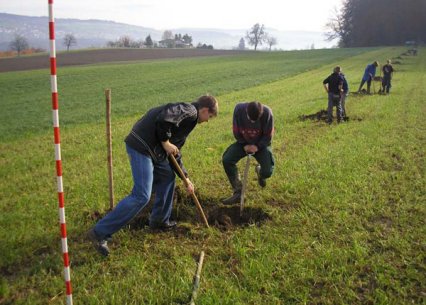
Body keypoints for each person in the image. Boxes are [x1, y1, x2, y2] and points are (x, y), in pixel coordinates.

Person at [88, 95, 219, 256]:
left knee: (167, 177)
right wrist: (165, 142)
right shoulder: (190, 111)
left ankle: (159, 221)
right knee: (141, 195)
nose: (207, 121)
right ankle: (99, 232)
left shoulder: (189, 122)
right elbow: (164, 119)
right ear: (205, 110)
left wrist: (186, 178)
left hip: (154, 151)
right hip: (142, 146)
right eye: (210, 117)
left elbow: (175, 152)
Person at [221, 101, 274, 205]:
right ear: (246, 112)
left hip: (261, 145)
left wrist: (257, 146)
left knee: (268, 171)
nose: (253, 123)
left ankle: (260, 173)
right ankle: (238, 192)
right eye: (250, 120)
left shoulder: (267, 113)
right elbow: (236, 131)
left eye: (256, 120)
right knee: (227, 160)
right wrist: (244, 144)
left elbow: (268, 136)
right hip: (243, 143)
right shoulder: (239, 110)